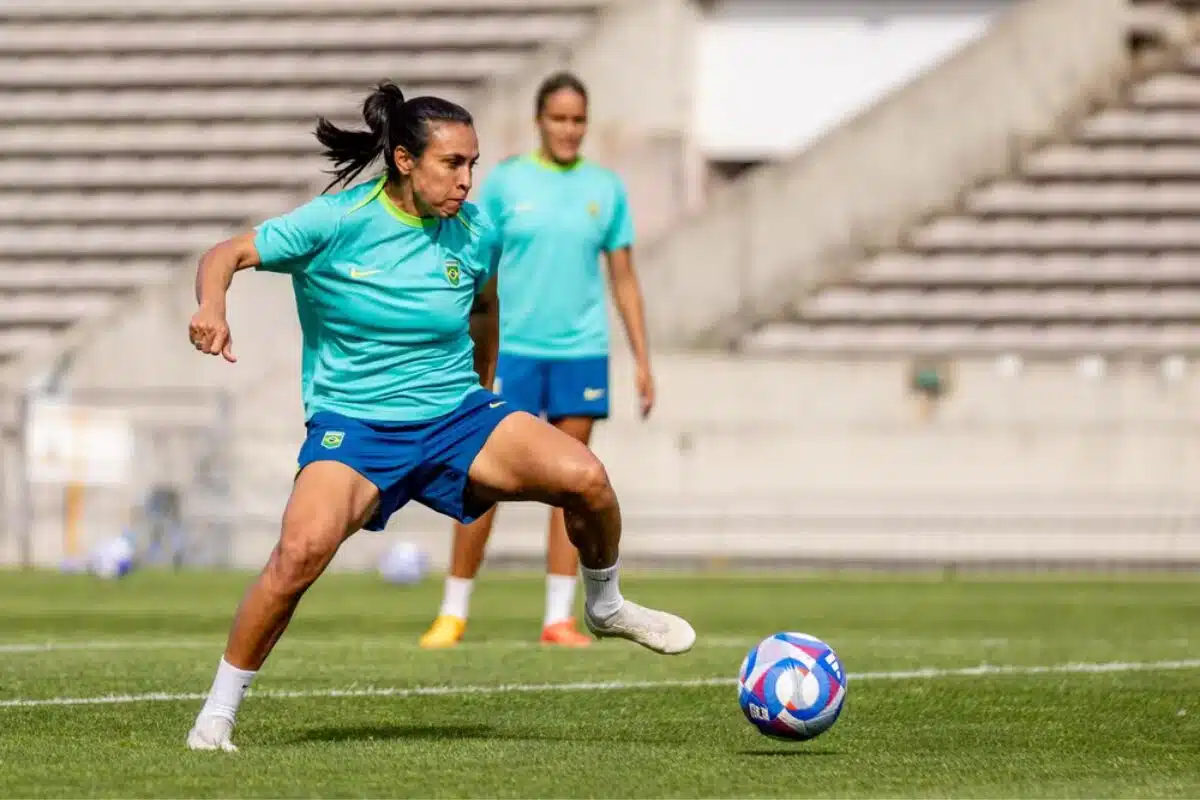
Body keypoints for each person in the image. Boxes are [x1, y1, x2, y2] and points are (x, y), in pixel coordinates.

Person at [184, 82, 695, 752]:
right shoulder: (336, 223)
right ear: (403, 161)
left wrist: (483, 392)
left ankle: (603, 604)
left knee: (588, 479)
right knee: (298, 554)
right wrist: (211, 310)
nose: (466, 180)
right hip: (357, 426)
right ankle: (216, 716)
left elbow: (485, 310)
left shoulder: (477, 232)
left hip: (456, 413)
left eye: (473, 164)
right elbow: (228, 253)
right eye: (452, 165)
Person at [420, 72, 654, 649]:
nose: (569, 130)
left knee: (572, 485)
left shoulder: (606, 189)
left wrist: (643, 360)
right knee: (484, 480)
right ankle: (453, 612)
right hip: (515, 351)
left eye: (578, 120)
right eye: (559, 119)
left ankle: (558, 617)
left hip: (581, 351)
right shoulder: (504, 184)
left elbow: (623, 278)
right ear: (539, 121)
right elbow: (475, 265)